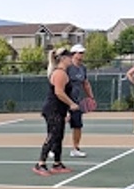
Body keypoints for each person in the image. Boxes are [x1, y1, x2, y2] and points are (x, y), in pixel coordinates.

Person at [34, 48, 80, 176]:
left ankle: (57, 163)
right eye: (70, 56)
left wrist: (66, 111)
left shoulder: (63, 73)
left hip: (59, 110)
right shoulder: (59, 73)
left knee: (59, 137)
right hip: (52, 110)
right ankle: (40, 164)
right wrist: (71, 104)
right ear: (63, 58)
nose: (72, 58)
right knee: (53, 135)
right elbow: (59, 92)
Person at [66, 43, 95, 156]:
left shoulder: (83, 68)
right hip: (65, 101)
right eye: (80, 53)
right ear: (73, 54)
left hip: (77, 102)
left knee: (78, 126)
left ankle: (75, 149)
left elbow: (86, 83)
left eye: (83, 53)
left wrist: (91, 97)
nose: (82, 55)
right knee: (59, 126)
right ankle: (53, 148)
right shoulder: (67, 67)